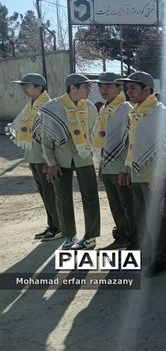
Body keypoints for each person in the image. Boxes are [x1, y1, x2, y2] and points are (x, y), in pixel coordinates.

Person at [118, 71, 166, 277]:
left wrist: (159, 174)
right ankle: (147, 255)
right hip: (138, 173)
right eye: (128, 87)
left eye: (132, 87)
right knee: (141, 218)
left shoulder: (160, 113)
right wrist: (126, 168)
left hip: (154, 177)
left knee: (156, 219)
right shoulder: (136, 112)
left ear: (147, 90)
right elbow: (132, 145)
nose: (128, 91)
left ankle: (162, 258)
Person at [39, 74, 100, 250]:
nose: (90, 90)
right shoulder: (52, 108)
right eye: (86, 87)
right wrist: (50, 162)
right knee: (62, 197)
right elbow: (45, 139)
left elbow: (93, 133)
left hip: (84, 157)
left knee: (90, 196)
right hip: (60, 158)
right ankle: (69, 235)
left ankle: (90, 237)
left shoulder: (89, 107)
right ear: (73, 88)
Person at [7, 73, 61, 241]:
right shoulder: (31, 105)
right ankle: (52, 225)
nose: (24, 89)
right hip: (33, 156)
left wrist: (49, 161)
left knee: (51, 194)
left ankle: (58, 227)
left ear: (39, 88)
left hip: (44, 158)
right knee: (45, 194)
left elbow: (51, 135)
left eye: (27, 86)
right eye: (23, 86)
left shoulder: (47, 105)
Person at [91, 72, 134, 250]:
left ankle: (134, 241)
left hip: (121, 168)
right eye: (101, 86)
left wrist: (127, 168)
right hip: (108, 167)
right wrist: (101, 164)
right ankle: (122, 237)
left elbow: (132, 142)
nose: (103, 89)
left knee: (128, 206)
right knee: (115, 206)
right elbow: (102, 140)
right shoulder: (104, 109)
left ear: (119, 87)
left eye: (108, 86)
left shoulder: (127, 109)